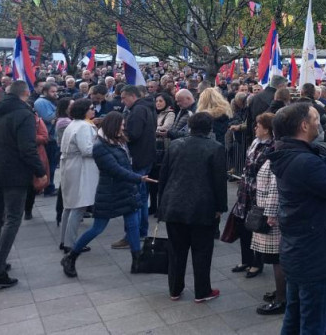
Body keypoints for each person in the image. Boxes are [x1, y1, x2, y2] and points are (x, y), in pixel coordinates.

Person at [268, 102, 326, 334]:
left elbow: (319, 171)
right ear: (303, 125)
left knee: (295, 315)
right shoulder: (303, 160)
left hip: (299, 249)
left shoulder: (291, 153)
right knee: (314, 322)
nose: (320, 122)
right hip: (314, 252)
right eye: (316, 118)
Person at [60, 111, 154, 278]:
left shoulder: (117, 141)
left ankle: (137, 260)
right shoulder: (100, 147)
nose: (124, 128)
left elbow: (125, 166)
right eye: (122, 125)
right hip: (110, 192)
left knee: (133, 225)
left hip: (126, 189)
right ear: (113, 126)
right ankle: (71, 256)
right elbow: (115, 170)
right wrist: (139, 178)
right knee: (98, 228)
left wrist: (134, 179)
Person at [157, 111, 228, 302]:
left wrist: (161, 203)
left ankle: (175, 289)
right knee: (202, 250)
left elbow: (164, 175)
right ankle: (202, 291)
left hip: (174, 203)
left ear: (190, 126)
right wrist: (220, 207)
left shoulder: (175, 145)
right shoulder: (215, 147)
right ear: (210, 128)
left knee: (176, 250)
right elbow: (219, 180)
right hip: (202, 206)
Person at [0, 80, 47, 289]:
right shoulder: (24, 115)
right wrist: (41, 172)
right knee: (12, 219)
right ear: (26, 94)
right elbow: (27, 148)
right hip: (14, 174)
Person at [230, 112, 275, 278]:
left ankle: (257, 263)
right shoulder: (256, 142)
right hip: (245, 191)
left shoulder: (272, 147)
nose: (255, 128)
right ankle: (246, 260)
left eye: (259, 125)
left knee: (256, 226)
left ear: (268, 129)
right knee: (243, 227)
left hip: (259, 193)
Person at [113, 85, 156, 248]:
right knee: (142, 198)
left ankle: (133, 234)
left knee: (135, 199)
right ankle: (141, 232)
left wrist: (116, 134)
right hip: (145, 157)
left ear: (132, 96)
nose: (122, 101)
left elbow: (133, 134)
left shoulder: (138, 110)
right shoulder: (145, 107)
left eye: (124, 98)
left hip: (138, 158)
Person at [58, 99, 98, 252]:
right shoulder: (83, 126)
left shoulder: (73, 124)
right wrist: (101, 144)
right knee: (78, 206)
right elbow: (87, 150)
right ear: (84, 110)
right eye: (91, 108)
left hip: (71, 165)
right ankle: (70, 243)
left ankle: (65, 240)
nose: (93, 111)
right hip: (79, 167)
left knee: (69, 206)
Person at [252, 153, 286, 316]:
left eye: (257, 125)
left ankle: (282, 298)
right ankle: (282, 291)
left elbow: (275, 187)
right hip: (269, 210)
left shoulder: (279, 155)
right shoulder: (276, 151)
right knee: (276, 259)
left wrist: (271, 214)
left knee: (277, 258)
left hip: (272, 214)